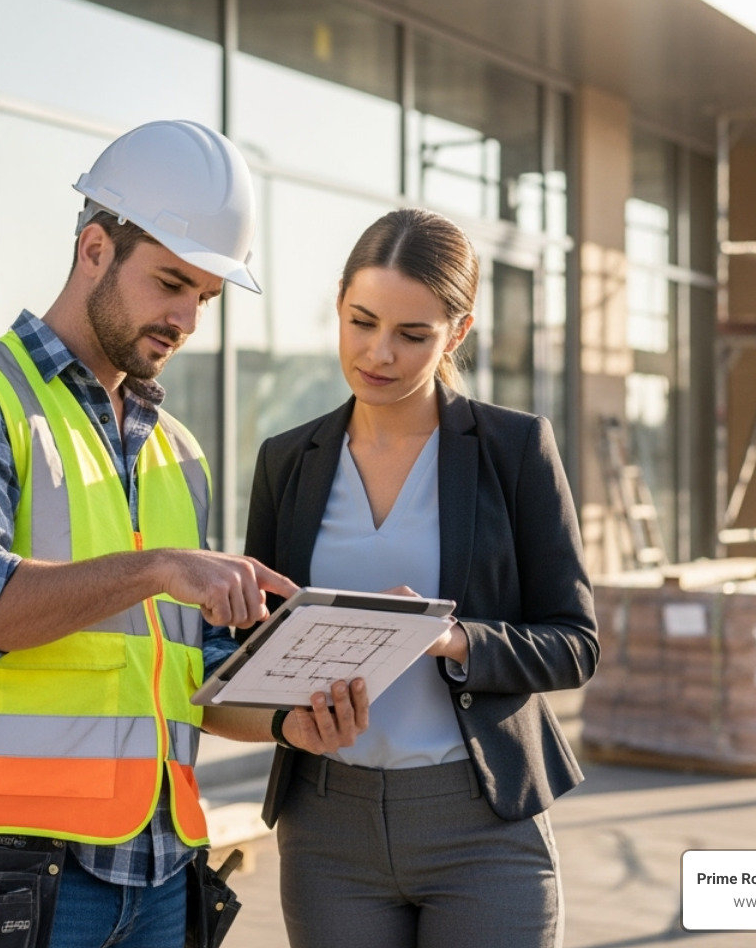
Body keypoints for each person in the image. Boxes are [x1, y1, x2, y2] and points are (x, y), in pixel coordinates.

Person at [0, 119, 367, 948]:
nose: (184, 318)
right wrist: (156, 568)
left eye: (205, 299)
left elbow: (196, 678)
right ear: (95, 249)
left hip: (162, 873)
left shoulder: (178, 454)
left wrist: (295, 711)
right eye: (171, 283)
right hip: (14, 880)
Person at [243, 207, 600, 948]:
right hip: (326, 825)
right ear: (339, 302)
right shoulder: (288, 461)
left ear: (458, 333)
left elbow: (575, 643)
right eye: (361, 322)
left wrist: (455, 638)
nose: (379, 353)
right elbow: (254, 649)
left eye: (413, 335)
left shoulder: (515, 449)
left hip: (480, 822)